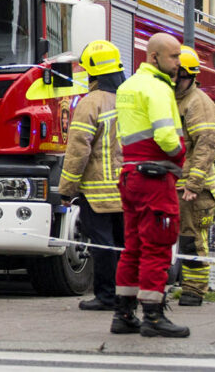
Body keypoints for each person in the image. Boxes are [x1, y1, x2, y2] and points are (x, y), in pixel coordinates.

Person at [110, 32, 189, 338]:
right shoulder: (157, 88)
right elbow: (166, 137)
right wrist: (180, 155)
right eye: (174, 57)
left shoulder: (128, 86)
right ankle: (154, 317)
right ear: (153, 57)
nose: (178, 63)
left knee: (132, 247)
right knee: (157, 246)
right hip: (155, 178)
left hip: (131, 176)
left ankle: (124, 314)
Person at [58, 40, 126, 311]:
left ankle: (106, 296)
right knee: (123, 246)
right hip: (127, 188)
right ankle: (125, 295)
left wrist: (67, 188)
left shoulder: (90, 103)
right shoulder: (128, 99)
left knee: (103, 246)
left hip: (98, 192)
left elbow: (78, 149)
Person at [173, 46, 215, 307]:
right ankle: (185, 285)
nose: (174, 81)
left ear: (188, 75)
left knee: (193, 239)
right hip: (177, 183)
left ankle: (194, 290)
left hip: (194, 188)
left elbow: (206, 145)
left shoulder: (198, 102)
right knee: (182, 237)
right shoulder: (175, 99)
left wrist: (193, 183)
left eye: (178, 76)